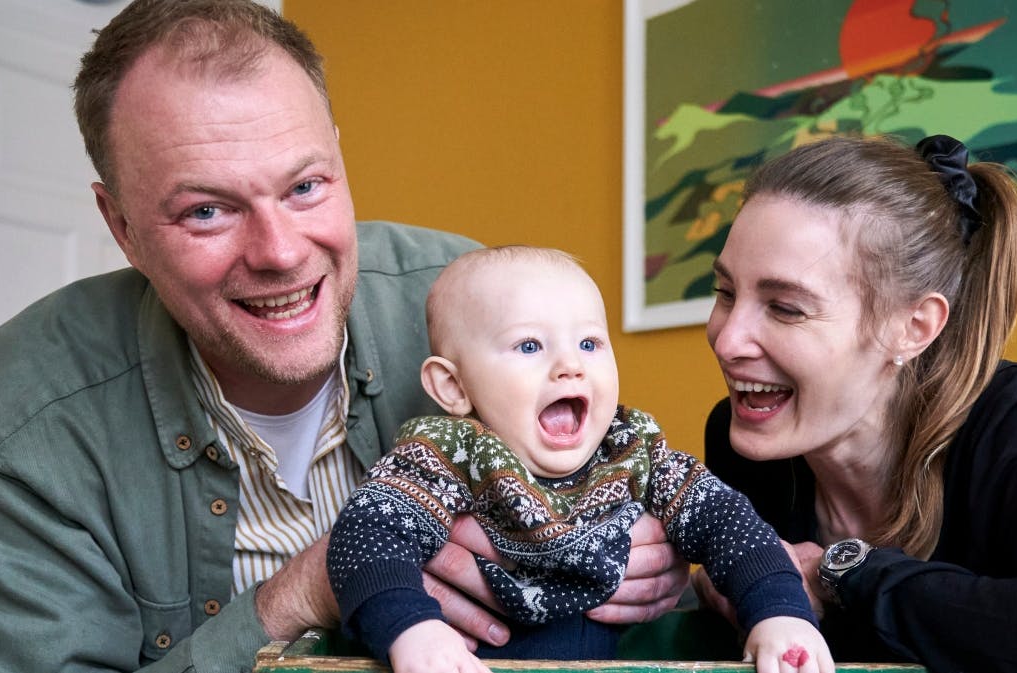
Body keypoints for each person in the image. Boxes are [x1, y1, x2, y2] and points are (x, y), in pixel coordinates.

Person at [0, 2, 689, 672]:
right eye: (206, 210)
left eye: (305, 187)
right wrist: (307, 589)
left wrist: (663, 562)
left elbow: (628, 485)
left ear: (338, 154)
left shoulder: (469, 299)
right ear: (121, 226)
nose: (281, 250)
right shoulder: (3, 434)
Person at [693, 133, 1017, 672]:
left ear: (912, 328)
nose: (727, 339)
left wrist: (843, 573)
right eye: (726, 293)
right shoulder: (747, 445)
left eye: (785, 308)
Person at [325, 246, 833, 673]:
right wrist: (412, 628)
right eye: (529, 346)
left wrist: (778, 613)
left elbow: (728, 522)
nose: (570, 365)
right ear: (453, 386)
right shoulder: (447, 457)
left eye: (589, 343)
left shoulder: (634, 453)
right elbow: (365, 535)